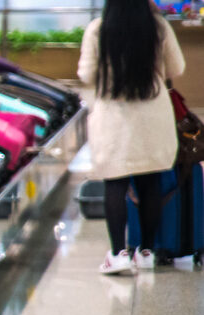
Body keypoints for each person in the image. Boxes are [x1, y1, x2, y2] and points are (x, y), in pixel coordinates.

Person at [77, 0, 185, 275]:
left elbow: (86, 74)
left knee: (115, 184)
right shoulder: (158, 27)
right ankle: (146, 252)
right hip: (153, 115)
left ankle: (118, 255)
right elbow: (177, 68)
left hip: (114, 118)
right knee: (151, 182)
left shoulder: (98, 29)